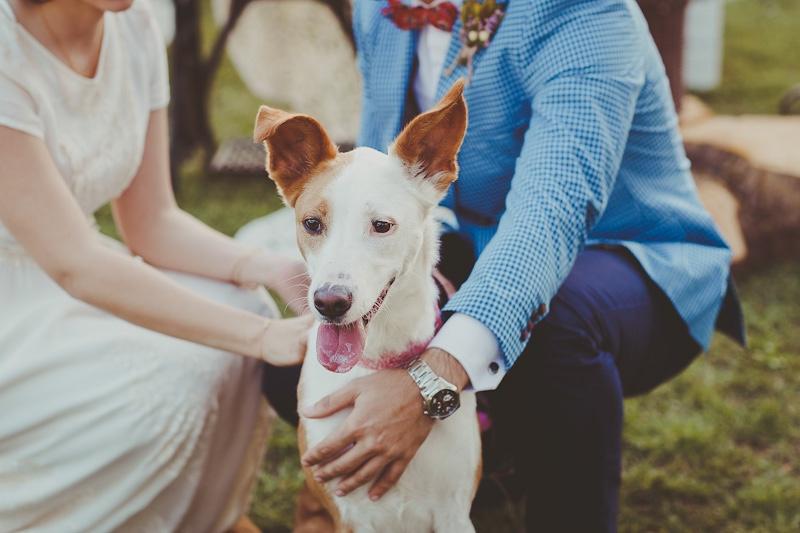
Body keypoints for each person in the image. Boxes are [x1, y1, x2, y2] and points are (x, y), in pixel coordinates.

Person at [265, 0, 746, 531]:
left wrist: (432, 381)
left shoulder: (589, 12)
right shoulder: (381, 8)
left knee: (554, 326)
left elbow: (552, 216)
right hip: (473, 237)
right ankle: (484, 461)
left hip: (631, 254)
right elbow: (389, 176)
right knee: (288, 361)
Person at [0, 0, 313, 530]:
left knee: (240, 299)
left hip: (81, 265)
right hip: (20, 300)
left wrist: (269, 268)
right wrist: (262, 336)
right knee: (183, 372)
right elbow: (73, 263)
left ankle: (202, 517)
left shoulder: (137, 23)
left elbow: (151, 220)